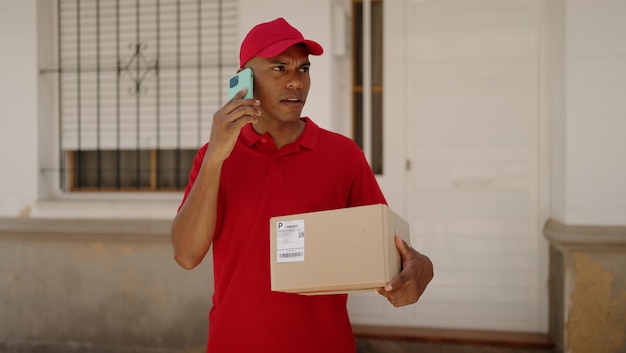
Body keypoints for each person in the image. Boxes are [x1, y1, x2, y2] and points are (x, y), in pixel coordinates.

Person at [171, 17, 433, 353]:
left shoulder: (343, 155)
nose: (296, 82)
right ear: (245, 81)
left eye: (303, 69)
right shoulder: (214, 157)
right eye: (280, 68)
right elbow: (186, 255)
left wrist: (421, 269)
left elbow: (394, 253)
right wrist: (215, 159)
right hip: (233, 343)